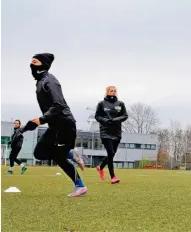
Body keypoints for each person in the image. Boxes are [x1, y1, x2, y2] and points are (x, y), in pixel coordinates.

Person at [29, 53, 87, 197]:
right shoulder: (40, 81)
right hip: (55, 126)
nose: (31, 65)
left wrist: (42, 119)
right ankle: (70, 153)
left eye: (35, 62)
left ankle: (80, 186)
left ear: (43, 64)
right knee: (39, 153)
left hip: (65, 124)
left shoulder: (50, 81)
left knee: (59, 158)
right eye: (31, 62)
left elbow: (59, 105)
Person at [95, 86, 128, 184]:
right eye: (111, 91)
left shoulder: (120, 104)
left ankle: (100, 167)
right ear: (107, 92)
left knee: (112, 154)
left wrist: (115, 120)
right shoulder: (101, 104)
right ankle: (113, 177)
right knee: (110, 152)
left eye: (115, 91)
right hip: (105, 132)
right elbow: (97, 116)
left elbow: (125, 116)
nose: (113, 92)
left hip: (117, 132)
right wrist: (105, 121)